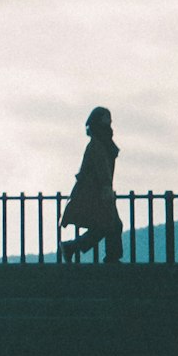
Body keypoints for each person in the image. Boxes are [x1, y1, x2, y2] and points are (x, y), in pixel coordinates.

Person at [56, 105, 123, 263]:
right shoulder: (98, 143)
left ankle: (72, 247)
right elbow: (101, 168)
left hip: (99, 190)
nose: (110, 120)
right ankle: (111, 257)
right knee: (111, 224)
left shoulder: (100, 140)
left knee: (107, 225)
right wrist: (106, 187)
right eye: (106, 117)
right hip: (98, 191)